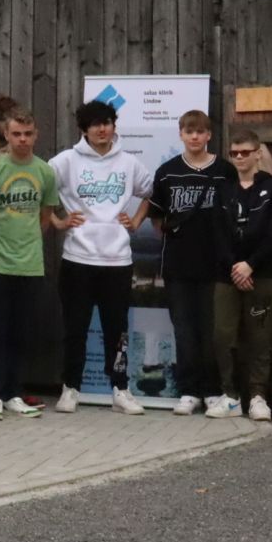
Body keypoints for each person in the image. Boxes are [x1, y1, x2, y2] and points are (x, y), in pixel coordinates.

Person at [50, 100, 154, 415]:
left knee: (117, 330)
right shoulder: (66, 161)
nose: (102, 129)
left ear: (114, 126)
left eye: (107, 122)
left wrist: (135, 222)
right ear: (84, 129)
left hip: (117, 262)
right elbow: (40, 188)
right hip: (77, 260)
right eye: (95, 124)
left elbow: (150, 193)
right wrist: (58, 222)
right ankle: (71, 389)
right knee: (75, 328)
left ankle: (120, 389)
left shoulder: (128, 163)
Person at [0, 106, 59, 420]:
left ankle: (13, 392)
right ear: (6, 135)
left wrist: (25, 244)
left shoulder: (45, 172)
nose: (22, 140)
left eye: (27, 134)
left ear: (35, 135)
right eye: (16, 134)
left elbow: (45, 218)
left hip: (30, 265)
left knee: (21, 333)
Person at [150, 109, 235, 416]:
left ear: (209, 135)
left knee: (212, 330)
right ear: (181, 135)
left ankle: (213, 390)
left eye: (200, 131)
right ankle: (188, 391)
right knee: (184, 329)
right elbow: (157, 218)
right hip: (178, 265)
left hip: (216, 264)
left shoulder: (226, 170)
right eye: (189, 131)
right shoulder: (167, 171)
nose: (195, 136)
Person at [212, 129, 272, 421]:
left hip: (262, 273)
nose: (240, 157)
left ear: (258, 153)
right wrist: (235, 266)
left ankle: (258, 397)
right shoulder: (223, 189)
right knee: (223, 336)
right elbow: (217, 234)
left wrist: (250, 265)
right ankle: (230, 395)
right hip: (227, 274)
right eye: (234, 153)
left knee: (260, 337)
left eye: (245, 152)